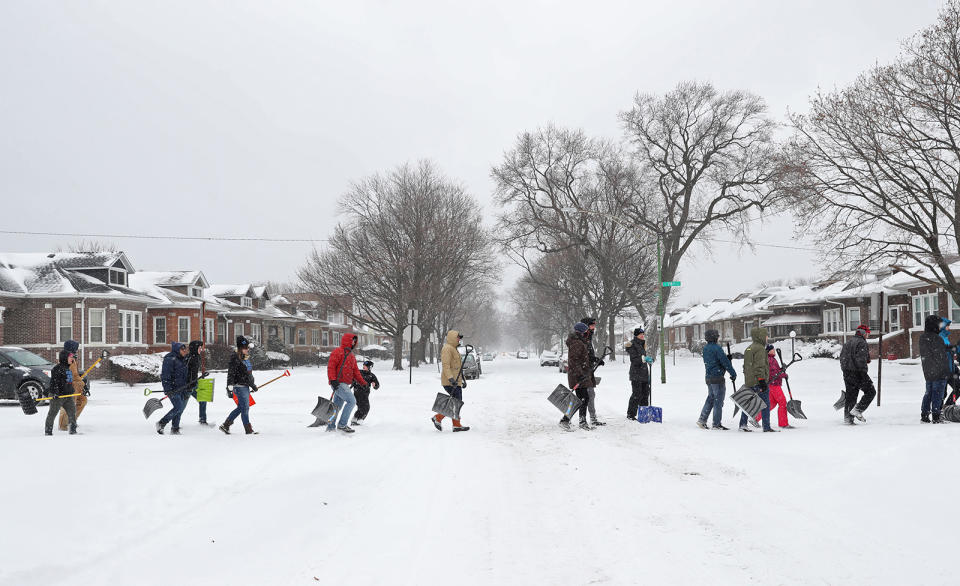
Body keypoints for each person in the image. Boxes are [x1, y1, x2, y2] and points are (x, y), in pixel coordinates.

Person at [327, 332, 367, 433]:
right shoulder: (337, 352)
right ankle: (342, 424)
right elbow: (331, 367)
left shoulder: (351, 356)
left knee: (337, 406)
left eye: (355, 341)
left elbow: (356, 372)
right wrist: (332, 380)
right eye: (352, 340)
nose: (353, 343)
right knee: (351, 401)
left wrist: (363, 383)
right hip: (338, 383)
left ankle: (330, 426)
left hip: (344, 384)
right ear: (347, 340)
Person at [697, 329, 736, 430]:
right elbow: (724, 362)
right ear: (715, 337)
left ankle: (702, 420)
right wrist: (733, 373)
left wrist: (727, 357)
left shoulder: (706, 348)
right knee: (718, 401)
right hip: (717, 378)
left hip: (709, 378)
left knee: (711, 398)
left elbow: (714, 360)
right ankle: (716, 424)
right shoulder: (717, 348)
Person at [432, 330, 470, 432]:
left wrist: (463, 380)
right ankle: (438, 418)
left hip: (456, 381)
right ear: (453, 337)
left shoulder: (454, 349)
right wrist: (451, 379)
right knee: (455, 402)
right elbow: (446, 366)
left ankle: (455, 424)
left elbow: (458, 367)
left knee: (456, 402)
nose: (459, 339)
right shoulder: (447, 349)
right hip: (450, 381)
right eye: (458, 337)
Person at [220, 336, 259, 435]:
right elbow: (231, 374)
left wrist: (252, 385)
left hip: (245, 386)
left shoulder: (244, 358)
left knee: (242, 407)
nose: (248, 350)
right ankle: (248, 429)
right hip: (239, 386)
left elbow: (248, 374)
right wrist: (229, 387)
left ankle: (226, 425)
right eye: (246, 348)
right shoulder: (235, 359)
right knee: (244, 408)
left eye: (248, 348)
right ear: (241, 348)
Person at [839, 324, 877, 424]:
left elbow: (842, 358)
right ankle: (858, 409)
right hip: (858, 372)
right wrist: (863, 372)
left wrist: (845, 370)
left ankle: (848, 418)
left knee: (851, 395)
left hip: (847, 373)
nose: (868, 336)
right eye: (868, 333)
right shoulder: (861, 343)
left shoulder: (848, 342)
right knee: (871, 391)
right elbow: (860, 360)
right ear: (864, 333)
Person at [560, 322, 594, 431]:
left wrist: (594, 360)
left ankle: (577, 421)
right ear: (581, 332)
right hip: (578, 375)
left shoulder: (579, 342)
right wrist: (580, 374)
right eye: (585, 331)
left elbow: (582, 358)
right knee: (582, 398)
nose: (587, 333)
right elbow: (574, 361)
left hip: (580, 374)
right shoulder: (577, 343)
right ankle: (568, 421)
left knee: (581, 398)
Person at [741, 327, 774, 432]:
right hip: (758, 381)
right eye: (766, 335)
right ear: (761, 336)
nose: (767, 337)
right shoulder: (760, 348)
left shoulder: (749, 348)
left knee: (747, 403)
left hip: (749, 381)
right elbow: (759, 366)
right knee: (765, 404)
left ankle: (742, 424)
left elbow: (746, 366)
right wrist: (761, 380)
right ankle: (766, 427)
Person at [919, 315, 951, 424]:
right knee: (938, 394)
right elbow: (941, 356)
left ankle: (924, 415)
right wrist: (946, 371)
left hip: (928, 371)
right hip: (939, 371)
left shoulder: (923, 337)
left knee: (928, 393)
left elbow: (929, 353)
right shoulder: (937, 338)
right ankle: (936, 417)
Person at [156, 342, 189, 435]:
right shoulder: (170, 359)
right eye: (182, 349)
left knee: (179, 408)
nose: (184, 351)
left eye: (185, 349)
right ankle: (161, 423)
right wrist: (168, 389)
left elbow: (183, 375)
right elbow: (165, 376)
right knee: (178, 407)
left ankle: (175, 428)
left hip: (181, 388)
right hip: (173, 389)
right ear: (177, 350)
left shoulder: (182, 359)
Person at [759, 345, 793, 429]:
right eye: (772, 350)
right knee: (782, 402)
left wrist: (782, 369)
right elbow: (773, 374)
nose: (774, 351)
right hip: (774, 385)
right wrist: (784, 374)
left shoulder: (771, 359)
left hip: (771, 384)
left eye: (774, 349)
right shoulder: (770, 360)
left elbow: (776, 371)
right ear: (768, 351)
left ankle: (755, 418)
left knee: (771, 404)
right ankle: (783, 423)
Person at [45, 350, 78, 435]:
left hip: (67, 395)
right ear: (64, 358)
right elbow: (54, 382)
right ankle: (48, 431)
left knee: (72, 412)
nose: (72, 359)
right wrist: (55, 393)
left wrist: (72, 390)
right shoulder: (57, 369)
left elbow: (69, 382)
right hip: (58, 396)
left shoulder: (68, 368)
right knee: (52, 413)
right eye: (70, 357)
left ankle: (72, 430)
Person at [580, 316, 605, 426]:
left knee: (590, 394)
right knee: (586, 395)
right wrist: (591, 360)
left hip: (587, 369)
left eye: (594, 325)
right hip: (582, 371)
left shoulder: (588, 337)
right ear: (586, 326)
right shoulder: (582, 338)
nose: (594, 327)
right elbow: (581, 355)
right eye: (592, 325)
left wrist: (595, 360)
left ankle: (592, 418)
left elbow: (588, 354)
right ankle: (571, 417)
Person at [625, 327, 654, 420]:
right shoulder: (632, 345)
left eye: (643, 334)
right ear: (636, 335)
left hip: (644, 373)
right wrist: (644, 359)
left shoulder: (642, 344)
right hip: (636, 373)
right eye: (640, 334)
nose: (642, 335)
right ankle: (631, 414)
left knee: (645, 393)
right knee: (637, 394)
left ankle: (644, 413)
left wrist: (648, 360)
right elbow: (634, 360)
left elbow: (642, 358)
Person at [58, 340, 87, 431]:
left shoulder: (72, 358)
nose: (77, 350)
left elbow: (75, 374)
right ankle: (63, 425)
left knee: (82, 401)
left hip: (76, 385)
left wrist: (81, 382)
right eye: (75, 348)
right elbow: (72, 375)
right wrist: (82, 383)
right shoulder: (66, 358)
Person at [185, 340, 210, 425]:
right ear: (195, 348)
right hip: (188, 385)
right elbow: (187, 372)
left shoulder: (196, 357)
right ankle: (173, 423)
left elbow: (193, 372)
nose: (201, 349)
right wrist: (190, 384)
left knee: (203, 400)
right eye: (199, 348)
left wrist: (199, 378)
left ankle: (202, 420)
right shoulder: (191, 358)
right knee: (180, 406)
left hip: (193, 383)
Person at [351, 360, 380, 426]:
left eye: (366, 366)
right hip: (357, 392)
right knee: (366, 407)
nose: (364, 367)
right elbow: (352, 379)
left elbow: (377, 385)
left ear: (370, 367)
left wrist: (375, 385)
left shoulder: (371, 376)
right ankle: (359, 420)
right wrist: (353, 382)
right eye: (363, 365)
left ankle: (355, 420)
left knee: (361, 408)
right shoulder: (359, 372)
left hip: (365, 394)